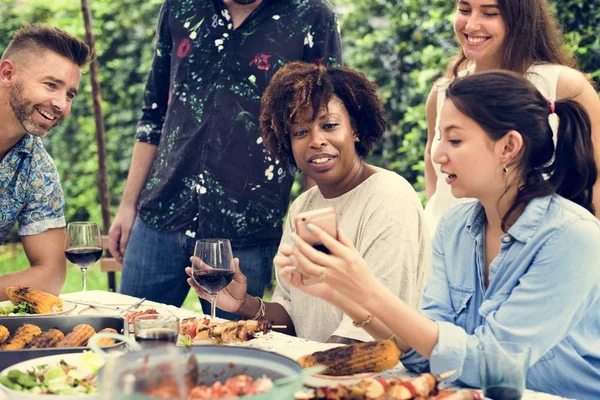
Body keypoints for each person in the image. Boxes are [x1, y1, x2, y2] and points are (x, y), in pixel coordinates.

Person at [282, 71, 600, 398]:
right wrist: (338, 292)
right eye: (439, 138)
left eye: (455, 140)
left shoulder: (572, 237)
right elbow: (425, 354)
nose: (437, 155)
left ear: (509, 147)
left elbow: (494, 364)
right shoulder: (455, 228)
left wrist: (369, 288)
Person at [109, 0, 342, 316]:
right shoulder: (178, 7)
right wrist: (127, 205)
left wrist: (311, 229)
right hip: (160, 219)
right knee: (127, 343)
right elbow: (154, 113)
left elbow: (319, 132)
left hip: (245, 231)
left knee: (233, 357)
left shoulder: (312, 15)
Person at [186, 61, 430, 343]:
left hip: (372, 379)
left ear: (355, 129)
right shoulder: (303, 208)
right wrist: (244, 305)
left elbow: (370, 332)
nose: (316, 140)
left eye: (329, 125)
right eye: (300, 132)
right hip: (315, 371)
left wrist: (297, 374)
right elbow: (293, 318)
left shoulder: (389, 197)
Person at [424, 0, 600, 234]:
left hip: (539, 252)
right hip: (447, 251)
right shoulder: (443, 91)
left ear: (520, 20)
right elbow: (433, 174)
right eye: (464, 10)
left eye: (489, 13)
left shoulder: (563, 85)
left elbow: (595, 177)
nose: (472, 24)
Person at [0, 25, 91, 300]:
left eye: (70, 94)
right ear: (7, 73)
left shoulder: (37, 168)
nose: (62, 105)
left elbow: (50, 276)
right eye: (51, 85)